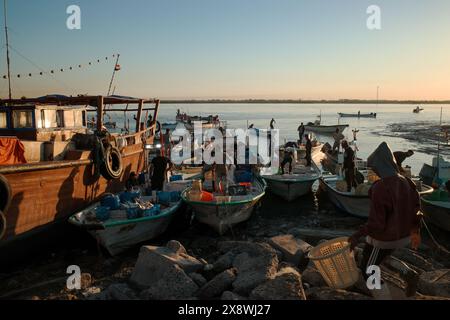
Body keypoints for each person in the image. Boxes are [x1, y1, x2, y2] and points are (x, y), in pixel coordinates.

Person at [349, 142, 421, 299]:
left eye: (374, 167)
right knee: (380, 256)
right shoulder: (407, 181)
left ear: (379, 166)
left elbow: (377, 224)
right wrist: (416, 233)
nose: (373, 170)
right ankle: (408, 273)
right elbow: (417, 209)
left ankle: (383, 296)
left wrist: (356, 235)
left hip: (385, 239)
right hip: (404, 235)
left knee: (368, 269)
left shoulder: (380, 187)